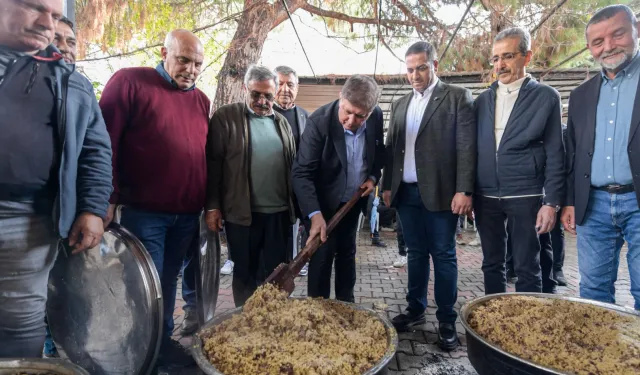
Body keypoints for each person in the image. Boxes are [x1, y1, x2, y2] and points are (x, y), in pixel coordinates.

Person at [0, 0, 112, 357]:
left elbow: (96, 150)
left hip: (29, 220)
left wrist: (93, 209)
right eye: (36, 9)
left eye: (56, 17)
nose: (47, 24)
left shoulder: (71, 82)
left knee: (21, 324)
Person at [100, 29, 210, 366]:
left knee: (167, 280)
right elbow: (105, 145)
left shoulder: (202, 100)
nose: (190, 69)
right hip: (144, 213)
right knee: (144, 286)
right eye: (183, 60)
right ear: (165, 52)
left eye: (197, 63)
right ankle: (139, 353)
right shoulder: (129, 83)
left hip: (186, 215)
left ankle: (158, 345)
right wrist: (104, 198)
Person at [382, 41, 476, 351]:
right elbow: (392, 149)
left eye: (421, 67)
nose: (415, 75)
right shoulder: (399, 104)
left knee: (444, 255)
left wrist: (464, 189)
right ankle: (416, 309)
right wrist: (386, 185)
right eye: (409, 69)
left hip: (442, 194)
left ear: (434, 65)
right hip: (406, 193)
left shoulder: (457, 97)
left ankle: (447, 319)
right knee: (416, 254)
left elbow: (466, 147)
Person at [474, 27, 563, 295]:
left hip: (526, 194)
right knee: (491, 264)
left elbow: (556, 152)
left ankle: (527, 327)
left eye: (508, 56)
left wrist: (552, 202)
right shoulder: (481, 101)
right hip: (485, 195)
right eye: (496, 58)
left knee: (527, 266)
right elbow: (470, 150)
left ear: (527, 56)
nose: (500, 64)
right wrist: (467, 190)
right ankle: (492, 320)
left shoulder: (546, 97)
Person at [562, 5, 640, 310]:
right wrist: (570, 200)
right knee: (593, 291)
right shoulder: (581, 95)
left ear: (635, 30)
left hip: (637, 201)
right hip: (593, 205)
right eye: (597, 41)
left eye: (617, 34)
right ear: (590, 48)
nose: (608, 46)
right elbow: (573, 153)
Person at [205, 65, 297, 307]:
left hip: (278, 215)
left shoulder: (282, 124)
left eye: (268, 95)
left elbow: (292, 169)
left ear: (275, 93)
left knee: (275, 276)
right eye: (256, 94)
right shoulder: (226, 118)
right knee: (245, 274)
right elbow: (213, 165)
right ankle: (244, 322)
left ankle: (271, 324)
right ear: (245, 89)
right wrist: (213, 206)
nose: (262, 100)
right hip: (242, 215)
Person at [292, 75, 385, 302]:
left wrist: (373, 177)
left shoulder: (376, 117)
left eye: (360, 116)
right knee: (322, 256)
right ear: (340, 97)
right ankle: (317, 312)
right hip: (321, 205)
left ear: (370, 112)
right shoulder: (319, 122)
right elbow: (301, 173)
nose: (351, 120)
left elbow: (378, 153)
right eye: (347, 111)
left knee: (347, 254)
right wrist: (314, 215)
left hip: (352, 202)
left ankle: (347, 307)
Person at [272, 65, 311, 276]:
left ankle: (299, 263)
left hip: (300, 189)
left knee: (304, 229)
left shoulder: (306, 116)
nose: (285, 89)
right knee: (279, 240)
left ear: (298, 88)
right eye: (280, 83)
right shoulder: (265, 114)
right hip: (274, 190)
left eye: (290, 84)